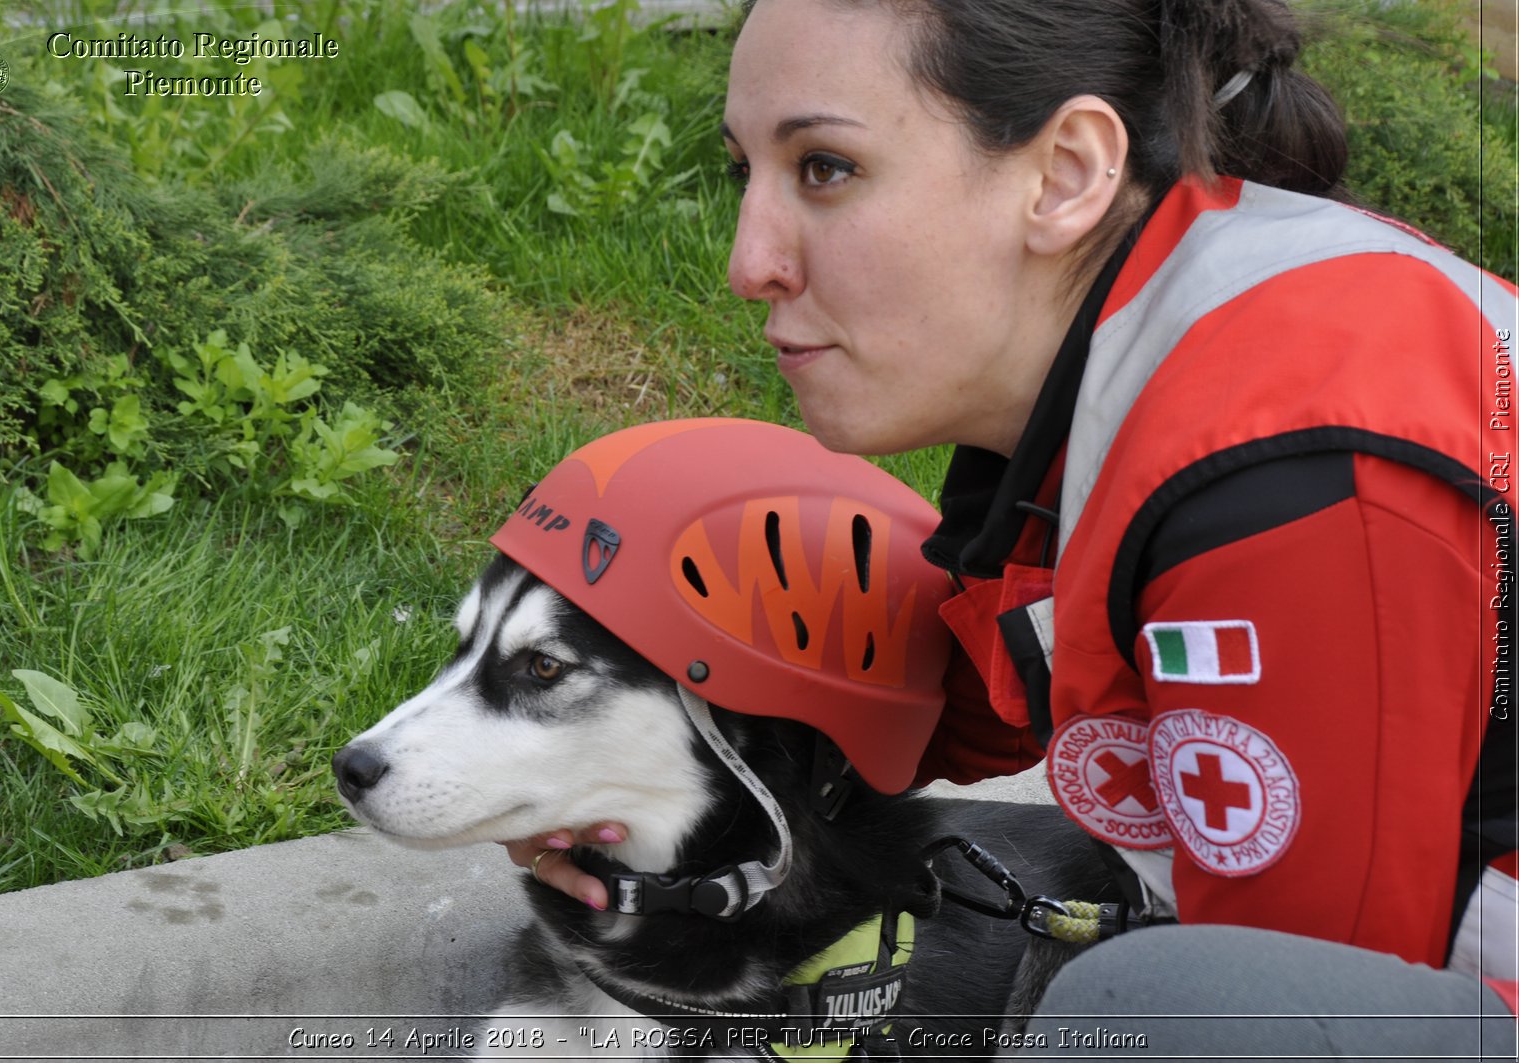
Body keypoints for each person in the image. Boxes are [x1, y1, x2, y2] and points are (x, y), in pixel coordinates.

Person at [507, 0, 1518, 1055]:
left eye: (824, 169)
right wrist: (628, 757)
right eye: (742, 172)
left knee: (1158, 1017)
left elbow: (1283, 1008)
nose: (748, 260)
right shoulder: (1121, 375)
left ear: (1067, 173)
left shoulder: (1289, 471)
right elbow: (937, 703)